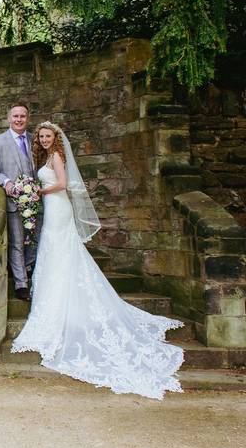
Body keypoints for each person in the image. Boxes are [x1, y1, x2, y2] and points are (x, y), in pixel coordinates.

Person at [11, 121, 184, 399]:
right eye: (41, 136)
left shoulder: (56, 156)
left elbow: (63, 184)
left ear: (56, 138)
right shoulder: (46, 156)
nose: (44, 139)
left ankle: (60, 308)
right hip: (52, 209)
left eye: (48, 136)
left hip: (58, 209)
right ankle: (53, 304)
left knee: (58, 252)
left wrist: (37, 192)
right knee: (52, 254)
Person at [0, 102, 39, 301]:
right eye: (15, 116)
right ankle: (21, 285)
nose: (19, 119)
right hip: (14, 201)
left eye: (23, 116)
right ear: (9, 118)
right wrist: (5, 181)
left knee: (35, 240)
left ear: (27, 118)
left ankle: (29, 269)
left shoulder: (35, 140)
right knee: (16, 244)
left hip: (36, 200)